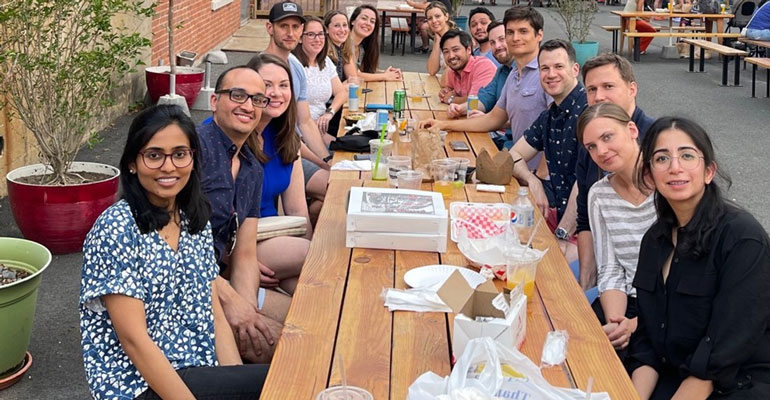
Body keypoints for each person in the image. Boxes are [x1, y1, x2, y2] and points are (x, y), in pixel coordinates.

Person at [80, 105, 269, 399]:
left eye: (180, 154)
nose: (169, 167)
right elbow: (134, 341)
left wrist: (234, 376)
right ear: (133, 162)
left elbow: (214, 313)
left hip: (197, 370)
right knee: (285, 380)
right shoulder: (116, 229)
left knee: (282, 377)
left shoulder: (194, 220)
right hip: (137, 385)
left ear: (193, 160)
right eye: (154, 155)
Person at [628, 117, 770, 399]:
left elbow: (721, 354)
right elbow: (648, 341)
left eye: (687, 155)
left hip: (738, 380)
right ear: (649, 176)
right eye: (662, 158)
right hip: (676, 371)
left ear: (708, 171)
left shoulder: (742, 238)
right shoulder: (654, 240)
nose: (675, 167)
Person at [198, 66, 289, 363]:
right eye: (238, 95)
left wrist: (247, 308)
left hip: (220, 282)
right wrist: (229, 300)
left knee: (311, 326)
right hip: (188, 290)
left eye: (257, 99)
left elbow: (246, 254)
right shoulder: (192, 152)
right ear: (215, 101)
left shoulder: (251, 167)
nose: (248, 106)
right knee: (288, 351)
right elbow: (175, 251)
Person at [420, 6, 550, 171]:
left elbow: (557, 131)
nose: (514, 38)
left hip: (538, 173)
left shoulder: (547, 72)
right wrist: (443, 124)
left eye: (523, 31)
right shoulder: (511, 74)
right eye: (510, 33)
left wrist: (539, 178)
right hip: (518, 165)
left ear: (539, 35)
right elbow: (492, 117)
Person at [576, 103, 656, 354]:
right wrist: (616, 323)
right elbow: (610, 267)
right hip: (624, 300)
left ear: (632, 129)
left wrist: (635, 325)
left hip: (669, 304)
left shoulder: (668, 182)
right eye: (591, 146)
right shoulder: (599, 194)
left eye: (607, 137)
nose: (601, 151)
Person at [576, 53, 655, 291]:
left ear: (632, 89)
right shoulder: (590, 141)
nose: (599, 96)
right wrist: (586, 284)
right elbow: (585, 219)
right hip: (612, 269)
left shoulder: (658, 142)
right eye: (591, 89)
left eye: (608, 86)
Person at [509, 39, 587, 262]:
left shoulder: (588, 114)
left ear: (574, 69)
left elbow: (585, 182)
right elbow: (513, 156)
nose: (551, 74)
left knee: (541, 272)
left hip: (584, 232)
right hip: (557, 214)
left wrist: (561, 235)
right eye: (545, 68)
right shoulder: (551, 114)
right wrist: (531, 180)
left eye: (558, 67)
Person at [242, 53, 312, 297]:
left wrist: (307, 243)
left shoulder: (285, 137)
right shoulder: (234, 135)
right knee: (316, 257)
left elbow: (297, 211)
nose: (276, 93)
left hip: (275, 233)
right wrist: (237, 264)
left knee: (309, 291)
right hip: (240, 243)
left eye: (284, 85)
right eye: (266, 85)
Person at [264, 1, 329, 224]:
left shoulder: (296, 67)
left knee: (334, 194)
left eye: (295, 26)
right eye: (284, 26)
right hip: (271, 156)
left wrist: (326, 159)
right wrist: (323, 163)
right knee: (336, 192)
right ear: (269, 28)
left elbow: (305, 121)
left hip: (291, 148)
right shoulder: (259, 69)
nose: (290, 33)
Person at [292, 16, 347, 136]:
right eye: (311, 34)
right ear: (300, 38)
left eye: (321, 34)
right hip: (301, 131)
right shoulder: (294, 65)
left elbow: (341, 93)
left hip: (322, 126)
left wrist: (330, 112)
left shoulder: (325, 61)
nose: (317, 39)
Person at [343, 4, 402, 82]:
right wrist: (384, 76)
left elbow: (365, 72)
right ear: (353, 21)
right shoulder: (344, 43)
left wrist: (389, 73)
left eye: (372, 21)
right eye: (364, 18)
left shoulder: (362, 48)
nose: (368, 23)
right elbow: (353, 76)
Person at [437, 29, 496, 106]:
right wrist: (445, 92)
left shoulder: (483, 66)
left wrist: (451, 99)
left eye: (455, 50)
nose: (451, 56)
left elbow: (475, 103)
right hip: (467, 115)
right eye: (446, 52)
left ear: (468, 50)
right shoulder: (453, 70)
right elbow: (449, 90)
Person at [422, 1, 456, 80]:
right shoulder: (439, 37)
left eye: (437, 16)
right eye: (430, 18)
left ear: (446, 17)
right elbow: (432, 70)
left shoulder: (455, 38)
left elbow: (450, 77)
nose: (434, 21)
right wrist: (437, 43)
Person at [324, 10, 351, 82]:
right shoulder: (324, 54)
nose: (342, 30)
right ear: (326, 29)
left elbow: (352, 77)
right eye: (337, 26)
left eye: (345, 25)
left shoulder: (343, 49)